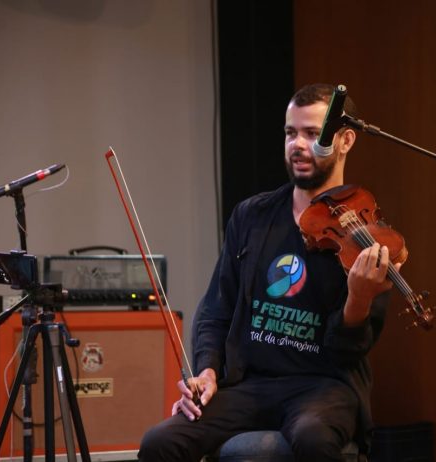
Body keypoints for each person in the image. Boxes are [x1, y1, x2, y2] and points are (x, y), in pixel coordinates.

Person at [138, 83, 397, 461]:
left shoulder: (367, 236)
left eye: (313, 134)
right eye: (291, 133)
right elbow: (215, 311)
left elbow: (348, 353)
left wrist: (358, 299)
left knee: (313, 437)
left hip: (324, 388)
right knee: (159, 443)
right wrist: (207, 371)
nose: (297, 145)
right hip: (252, 385)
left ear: (345, 141)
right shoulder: (252, 216)